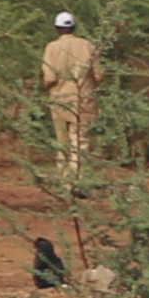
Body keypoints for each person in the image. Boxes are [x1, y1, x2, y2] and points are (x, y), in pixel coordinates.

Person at [40, 14, 100, 177]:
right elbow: (99, 74)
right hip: (84, 100)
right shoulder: (88, 45)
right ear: (74, 27)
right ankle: (80, 177)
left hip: (60, 100)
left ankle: (65, 179)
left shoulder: (52, 47)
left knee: (62, 142)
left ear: (57, 28)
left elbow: (50, 77)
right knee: (81, 141)